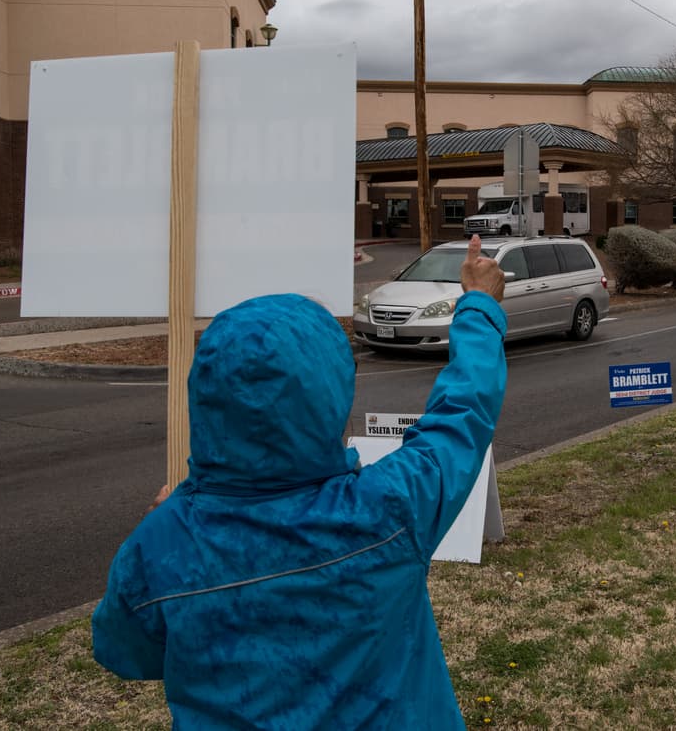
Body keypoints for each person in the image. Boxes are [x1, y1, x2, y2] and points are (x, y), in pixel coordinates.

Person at [92, 235, 507, 729]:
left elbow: (125, 652)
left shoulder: (158, 547)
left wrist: (177, 515)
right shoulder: (390, 509)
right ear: (330, 395)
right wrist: (478, 305)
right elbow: (464, 413)